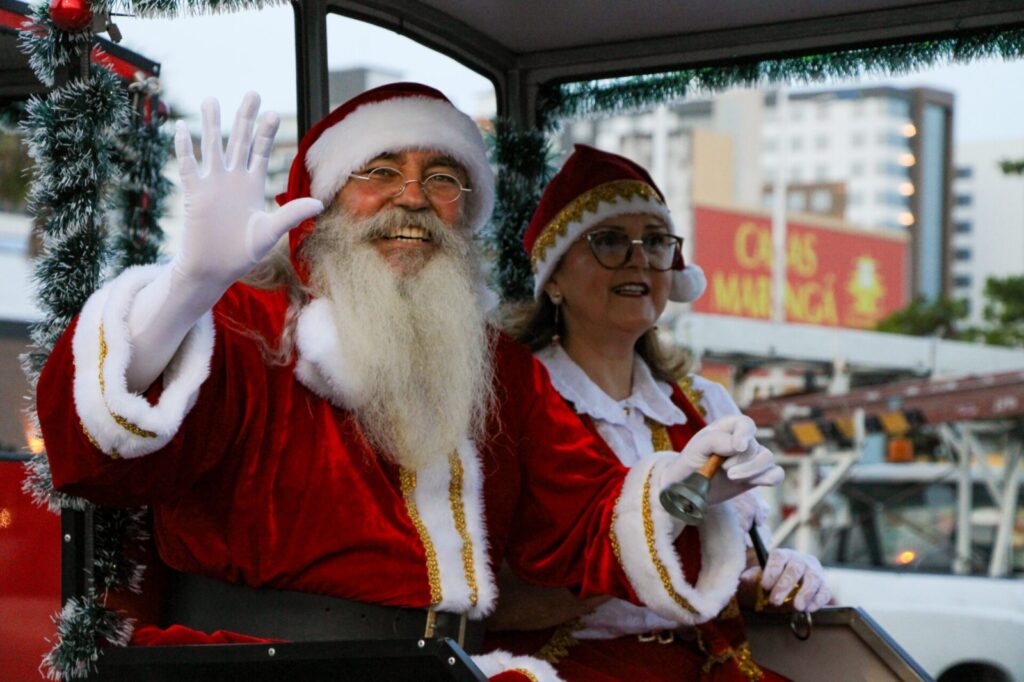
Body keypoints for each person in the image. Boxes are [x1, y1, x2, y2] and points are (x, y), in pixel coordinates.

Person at [36, 84, 782, 681]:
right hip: (255, 664)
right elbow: (92, 457)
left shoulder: (499, 367)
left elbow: (583, 516)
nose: (414, 197)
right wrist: (185, 291)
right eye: (380, 172)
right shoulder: (245, 326)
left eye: (443, 178)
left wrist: (688, 489)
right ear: (323, 201)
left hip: (449, 665)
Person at [488, 145, 830, 681]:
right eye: (609, 241)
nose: (639, 258)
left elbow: (728, 571)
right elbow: (492, 598)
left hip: (703, 662)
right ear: (552, 278)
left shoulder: (701, 406)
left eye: (655, 241)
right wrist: (665, 523)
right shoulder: (515, 404)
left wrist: (775, 574)